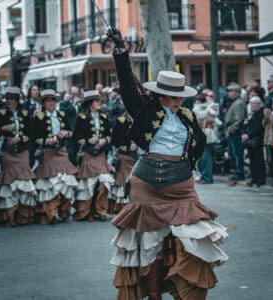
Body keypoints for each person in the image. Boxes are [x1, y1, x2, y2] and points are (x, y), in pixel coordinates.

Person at [107, 27, 228, 300]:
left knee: (194, 238)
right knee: (148, 244)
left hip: (181, 184)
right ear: (160, 95)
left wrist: (189, 165)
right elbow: (127, 83)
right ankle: (152, 293)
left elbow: (195, 144)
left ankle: (181, 287)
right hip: (146, 182)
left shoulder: (186, 115)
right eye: (172, 98)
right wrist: (120, 52)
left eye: (179, 98)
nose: (177, 103)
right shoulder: (143, 109)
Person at [33, 89, 78, 224]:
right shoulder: (38, 117)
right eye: (47, 100)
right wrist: (47, 141)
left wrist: (66, 133)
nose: (51, 103)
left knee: (66, 181)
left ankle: (64, 212)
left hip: (62, 152)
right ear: (44, 103)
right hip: (48, 152)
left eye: (52, 100)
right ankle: (50, 214)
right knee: (52, 183)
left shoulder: (62, 114)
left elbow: (72, 133)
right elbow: (34, 138)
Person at [0, 87, 37, 227]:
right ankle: (9, 216)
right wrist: (2, 129)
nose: (9, 101)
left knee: (23, 182)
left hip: (22, 151)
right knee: (9, 183)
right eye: (7, 98)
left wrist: (20, 139)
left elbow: (31, 134)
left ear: (17, 100)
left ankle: (23, 214)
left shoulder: (25, 113)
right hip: (7, 151)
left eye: (12, 99)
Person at [72, 90, 114, 221]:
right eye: (96, 101)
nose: (99, 103)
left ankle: (100, 210)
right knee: (88, 185)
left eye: (100, 100)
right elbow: (76, 138)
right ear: (90, 103)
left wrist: (104, 140)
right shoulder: (81, 118)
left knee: (104, 183)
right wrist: (88, 141)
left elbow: (109, 136)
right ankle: (87, 212)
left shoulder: (105, 117)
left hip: (101, 155)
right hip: (88, 155)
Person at [110, 110, 138, 213]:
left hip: (139, 157)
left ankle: (135, 207)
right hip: (125, 156)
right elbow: (114, 139)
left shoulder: (143, 119)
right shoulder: (121, 121)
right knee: (123, 182)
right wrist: (128, 146)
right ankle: (123, 208)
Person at [224, 83, 246, 186]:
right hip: (232, 131)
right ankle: (236, 173)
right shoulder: (234, 102)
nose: (229, 93)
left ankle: (239, 174)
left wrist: (232, 129)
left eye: (231, 91)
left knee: (237, 154)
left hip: (235, 132)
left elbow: (239, 119)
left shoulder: (239, 103)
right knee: (233, 154)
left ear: (236, 93)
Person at [242, 96, 266, 187]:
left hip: (257, 139)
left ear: (259, 104)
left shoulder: (260, 114)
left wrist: (248, 135)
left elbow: (258, 127)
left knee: (258, 160)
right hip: (250, 140)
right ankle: (254, 178)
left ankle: (260, 179)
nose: (253, 105)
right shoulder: (251, 114)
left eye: (255, 104)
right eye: (252, 104)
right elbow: (247, 125)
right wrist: (245, 133)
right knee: (252, 160)